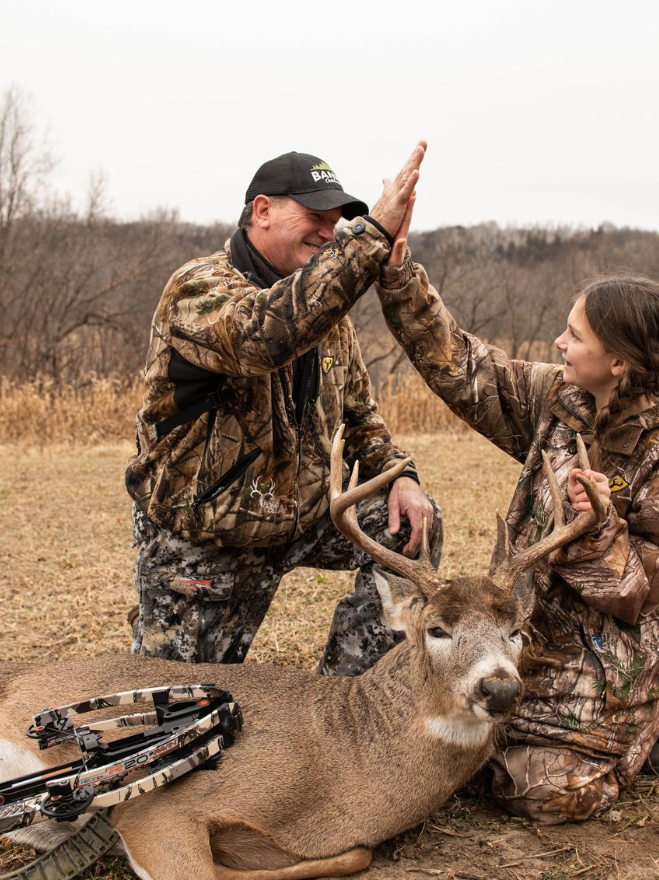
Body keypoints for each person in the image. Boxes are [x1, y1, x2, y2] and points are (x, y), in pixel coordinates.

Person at [375, 205, 659, 822]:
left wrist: (601, 531)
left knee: (539, 789)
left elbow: (639, 595)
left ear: (620, 362)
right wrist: (399, 278)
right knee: (440, 729)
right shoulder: (559, 401)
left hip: (614, 645)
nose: (560, 342)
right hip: (527, 629)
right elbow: (466, 367)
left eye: (576, 336)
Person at [125, 143, 440, 676]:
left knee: (412, 529)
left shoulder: (327, 314)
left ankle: (342, 705)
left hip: (301, 518)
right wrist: (370, 239)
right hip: (208, 541)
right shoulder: (198, 288)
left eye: (338, 222)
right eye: (315, 217)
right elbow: (265, 334)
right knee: (176, 715)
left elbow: (361, 416)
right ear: (262, 211)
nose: (328, 232)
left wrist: (401, 477)